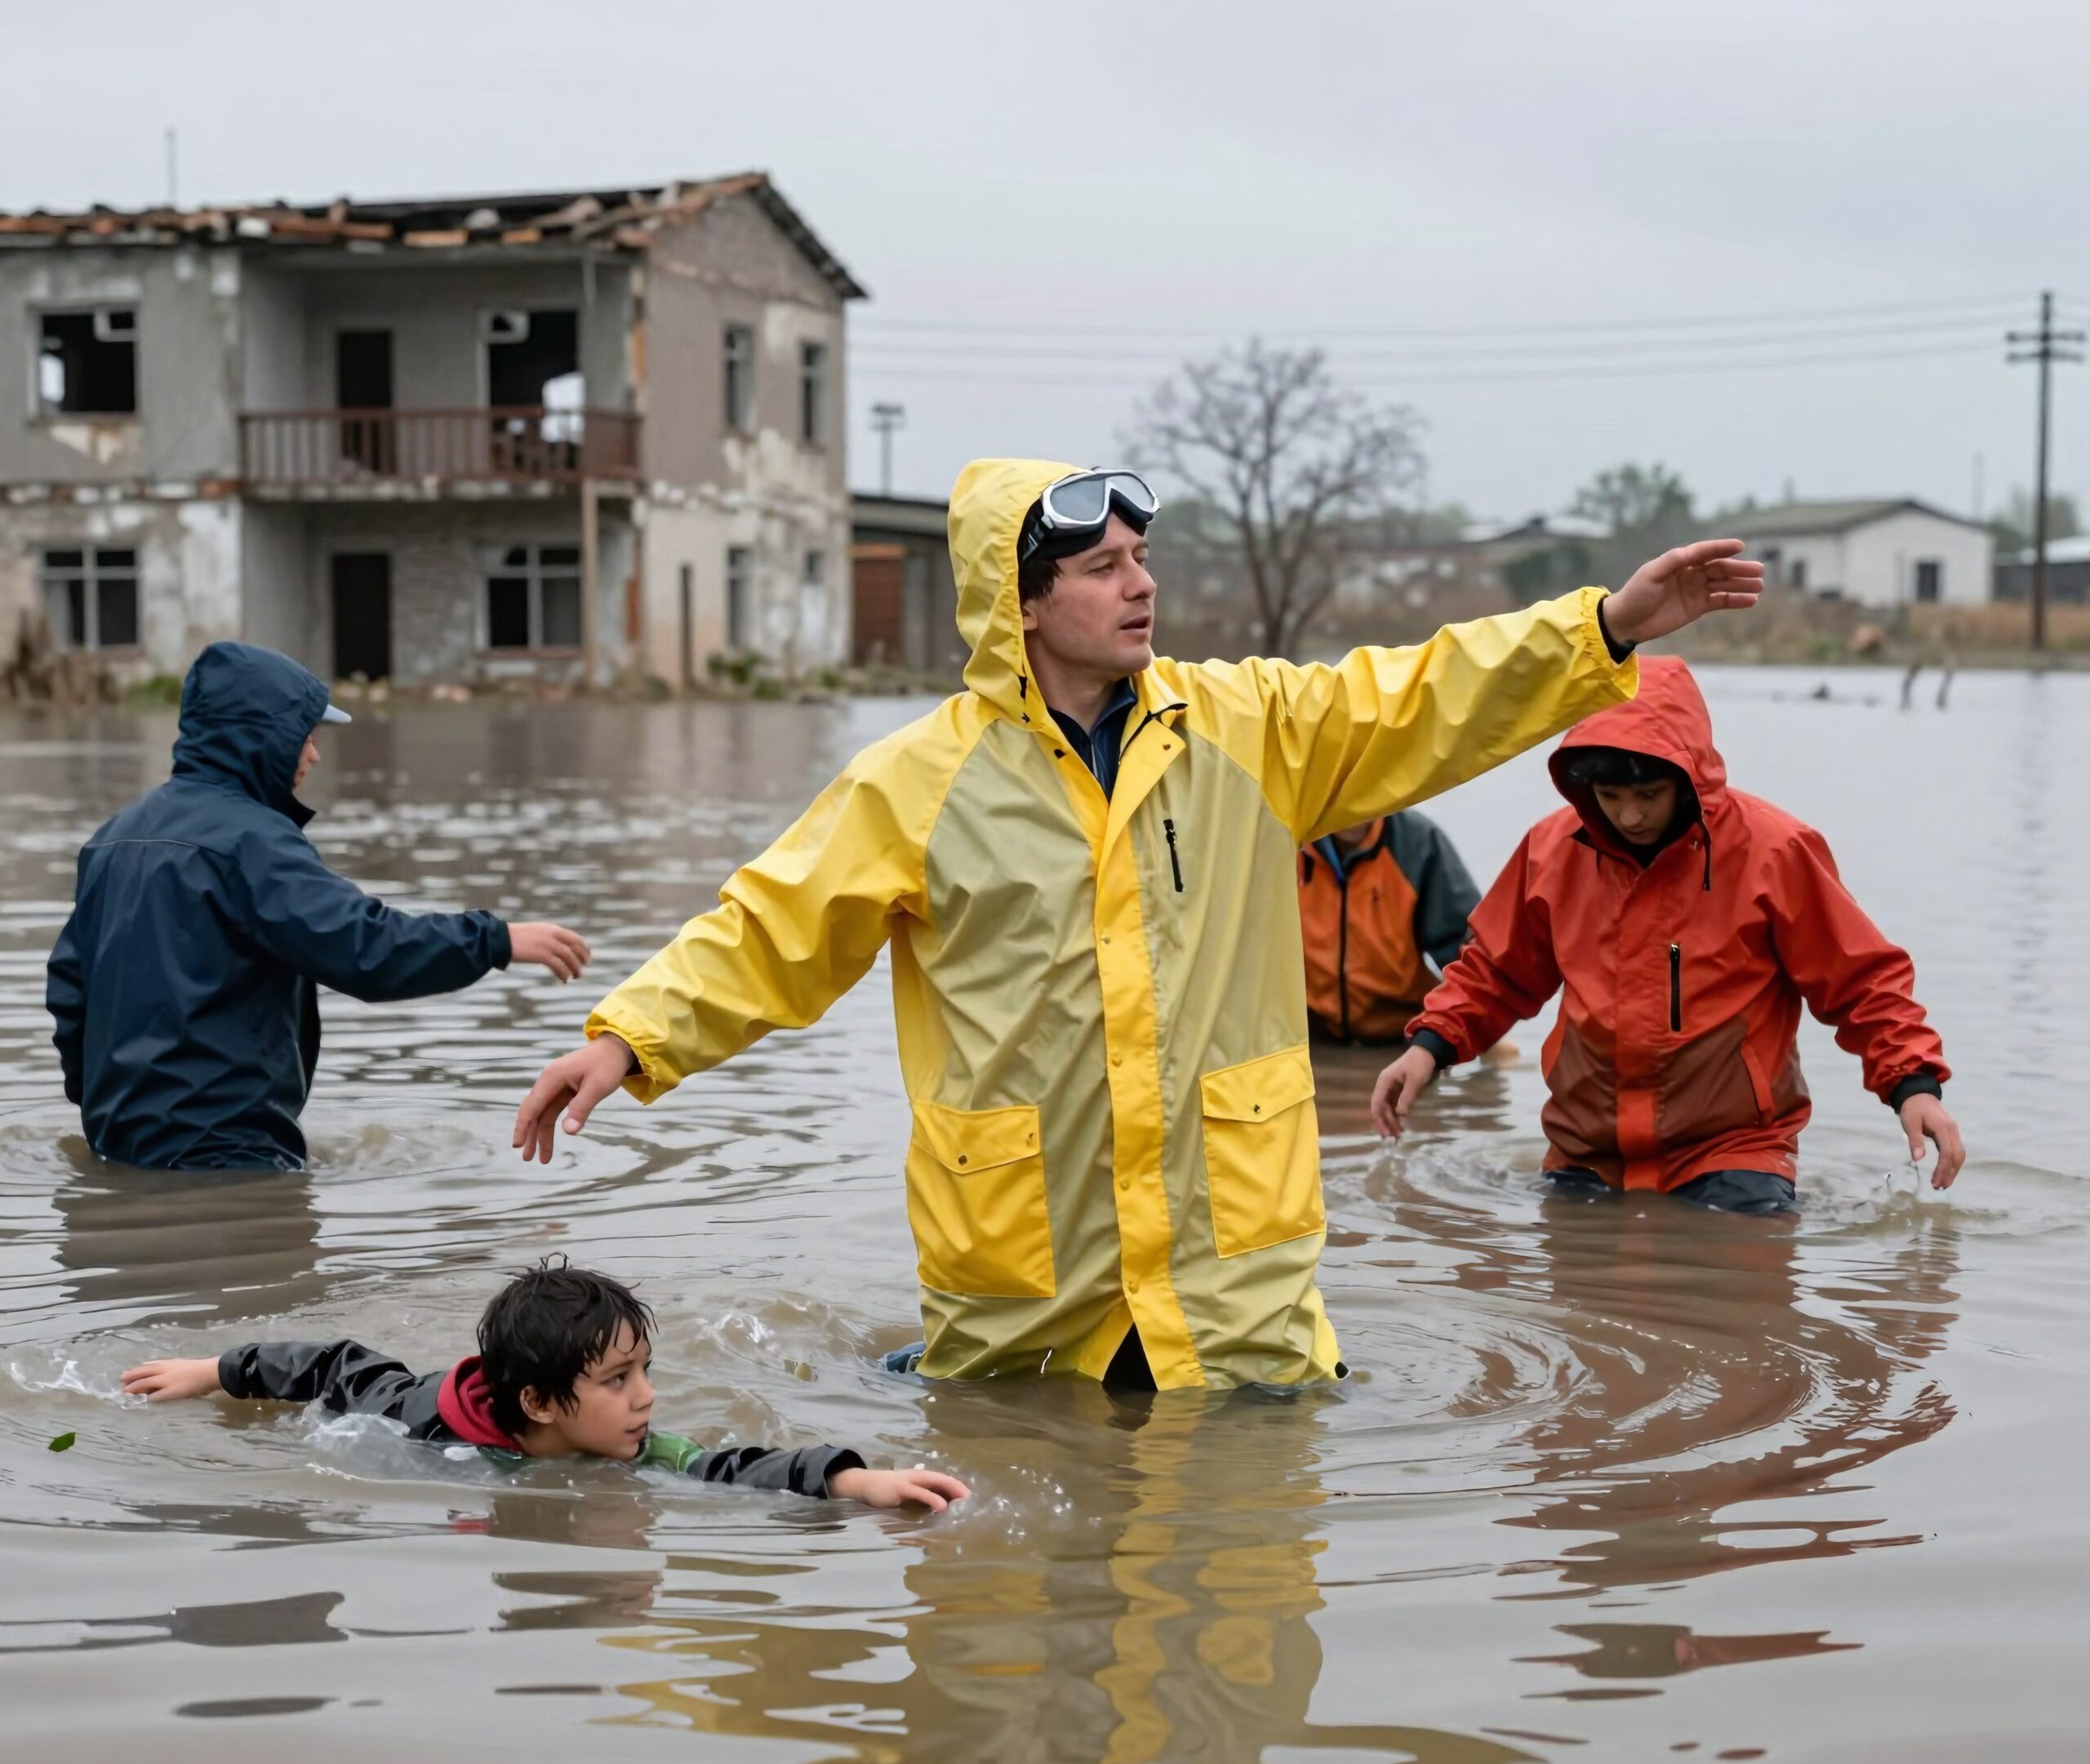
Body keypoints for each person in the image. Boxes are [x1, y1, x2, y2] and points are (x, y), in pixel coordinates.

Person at [514, 459, 1762, 1389]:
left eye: (1143, 559)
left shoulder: (1245, 727)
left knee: (1242, 1633)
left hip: (1235, 1287)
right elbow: (770, 923)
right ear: (1024, 601)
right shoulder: (917, 781)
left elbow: (1424, 694)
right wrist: (629, 1037)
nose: (1142, 586)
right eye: (1105, 568)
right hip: (1027, 1285)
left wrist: (1601, 628)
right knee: (1004, 1627)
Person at [1371, 656, 1963, 1213]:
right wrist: (1429, 1049)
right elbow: (1494, 973)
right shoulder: (1550, 851)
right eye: (1610, 797)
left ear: (1687, 777)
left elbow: (1861, 983)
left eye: (1648, 796)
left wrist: (1914, 1088)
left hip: (1735, 1153)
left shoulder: (1775, 851)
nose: (1630, 817)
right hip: (1585, 1152)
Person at [46, 641, 588, 1172]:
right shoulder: (254, 841)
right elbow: (366, 949)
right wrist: (495, 939)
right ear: (261, 738)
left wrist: (103, 1104)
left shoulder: (112, 840)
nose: (314, 753)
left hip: (117, 1145)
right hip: (226, 1154)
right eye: (304, 735)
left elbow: (71, 991)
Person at [120, 1259, 970, 1511]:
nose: (645, 1399)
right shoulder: (410, 1415)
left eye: (644, 1372)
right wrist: (214, 1373)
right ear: (538, 1403)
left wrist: (858, 1478)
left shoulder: (634, 1449)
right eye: (617, 1380)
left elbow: (729, 1465)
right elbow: (327, 1362)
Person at [1297, 808, 1479, 1042]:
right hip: (1308, 1038)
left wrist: (1488, 1036)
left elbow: (1471, 959)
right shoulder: (1286, 842)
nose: (1354, 805)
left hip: (1402, 1036)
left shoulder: (1419, 843)